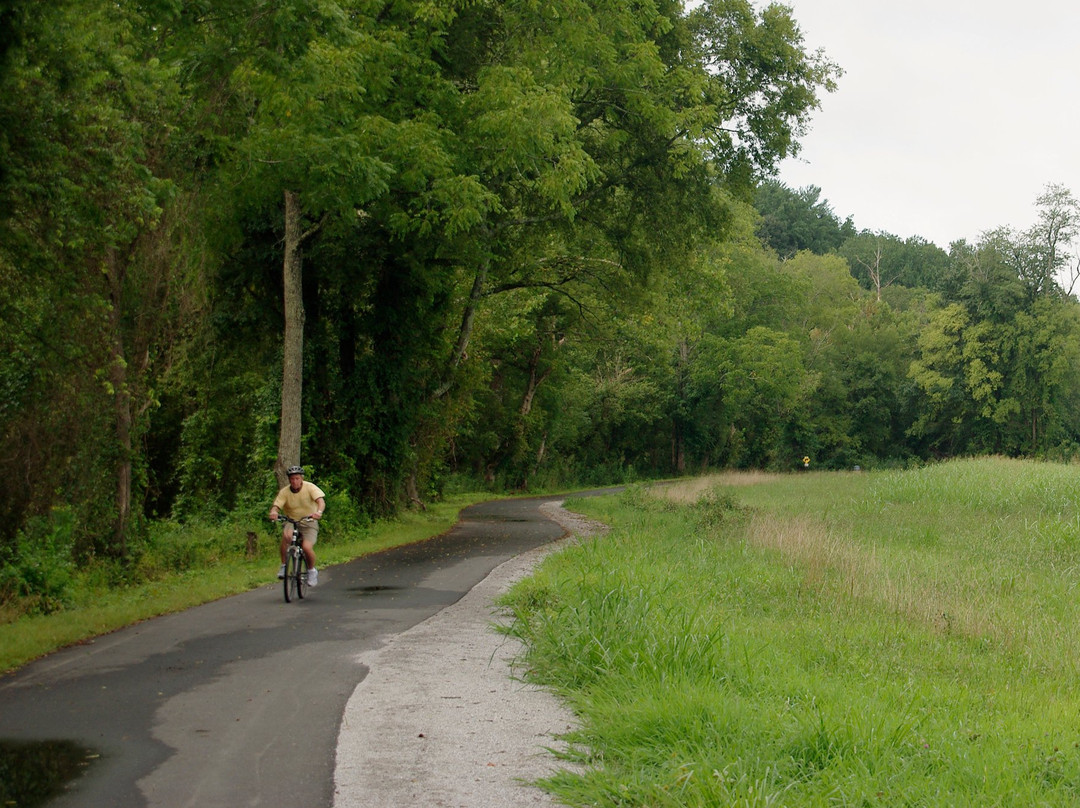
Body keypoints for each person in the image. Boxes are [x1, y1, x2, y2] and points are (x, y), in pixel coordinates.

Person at [269, 465, 326, 586]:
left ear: (301, 479)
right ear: (289, 480)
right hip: (292, 521)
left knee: (306, 547)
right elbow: (277, 505)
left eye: (297, 478)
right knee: (286, 537)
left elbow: (320, 501)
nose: (295, 481)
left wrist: (318, 512)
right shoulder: (285, 492)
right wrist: (274, 512)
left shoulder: (310, 487)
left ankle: (311, 571)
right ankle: (284, 565)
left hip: (308, 522)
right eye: (292, 479)